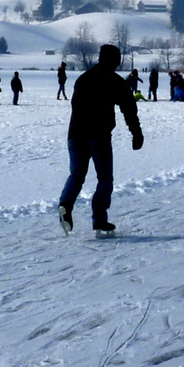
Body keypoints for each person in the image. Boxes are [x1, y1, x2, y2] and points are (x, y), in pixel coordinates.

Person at [58, 43, 143, 235]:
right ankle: (99, 219)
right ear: (116, 60)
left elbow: (75, 105)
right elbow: (129, 109)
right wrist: (136, 133)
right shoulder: (115, 81)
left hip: (75, 134)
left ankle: (65, 204)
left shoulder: (83, 79)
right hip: (99, 136)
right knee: (104, 178)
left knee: (77, 175)